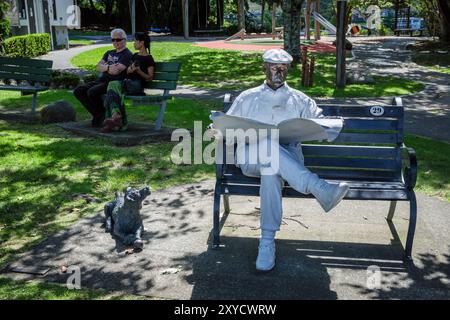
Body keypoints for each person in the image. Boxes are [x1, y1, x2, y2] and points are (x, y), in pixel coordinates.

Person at [225, 48, 350, 272]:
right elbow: (228, 127)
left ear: (288, 70)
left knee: (271, 170)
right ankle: (318, 187)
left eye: (283, 68)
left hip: (286, 160)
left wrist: (324, 127)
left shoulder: (300, 100)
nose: (278, 71)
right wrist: (218, 128)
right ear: (264, 67)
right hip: (250, 158)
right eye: (273, 66)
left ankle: (266, 242)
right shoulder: (248, 97)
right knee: (265, 143)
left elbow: (322, 125)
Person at [74, 28, 133, 128]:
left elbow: (116, 72)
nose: (115, 42)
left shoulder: (127, 54)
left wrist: (104, 67)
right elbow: (98, 67)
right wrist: (108, 68)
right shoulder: (109, 52)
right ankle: (100, 115)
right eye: (113, 40)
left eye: (118, 40)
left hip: (114, 83)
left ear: (124, 40)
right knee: (78, 90)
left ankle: (100, 117)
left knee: (92, 92)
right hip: (102, 80)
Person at [101, 32, 155, 133]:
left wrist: (139, 71)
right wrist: (131, 69)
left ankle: (116, 120)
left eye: (135, 41)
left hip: (137, 86)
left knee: (113, 86)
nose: (133, 43)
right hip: (128, 83)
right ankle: (115, 118)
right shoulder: (134, 56)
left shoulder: (149, 58)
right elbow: (128, 71)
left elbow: (149, 77)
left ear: (141, 43)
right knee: (112, 88)